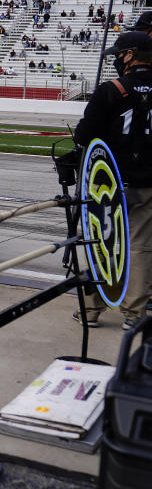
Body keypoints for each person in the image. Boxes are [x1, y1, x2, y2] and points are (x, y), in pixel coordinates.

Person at [72, 31, 152, 330]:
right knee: (141, 246)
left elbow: (83, 136)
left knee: (102, 241)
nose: (117, 58)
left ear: (130, 55)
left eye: (120, 53)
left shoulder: (111, 90)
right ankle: (134, 315)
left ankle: (92, 309)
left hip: (107, 183)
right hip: (147, 182)